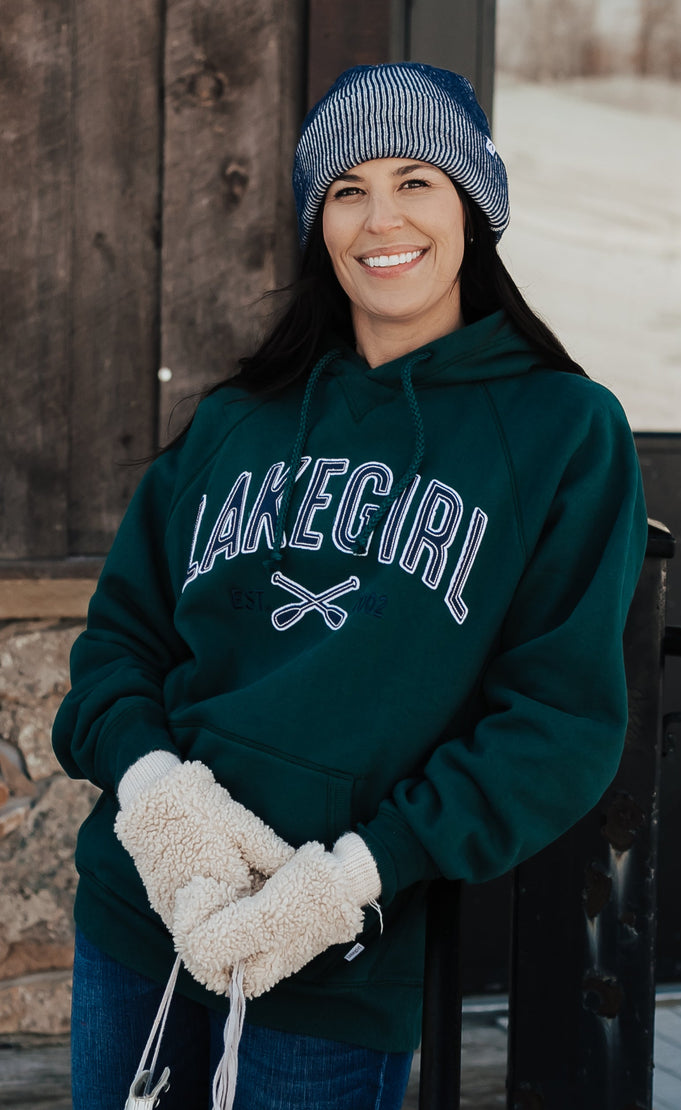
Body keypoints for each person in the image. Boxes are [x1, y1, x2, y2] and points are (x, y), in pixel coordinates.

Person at [52, 62, 647, 1110]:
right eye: (346, 188)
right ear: (318, 225)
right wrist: (157, 806)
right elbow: (116, 646)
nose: (381, 218)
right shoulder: (241, 420)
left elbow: (558, 724)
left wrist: (350, 882)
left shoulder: (562, 431)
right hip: (140, 917)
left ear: (473, 207)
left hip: (328, 965)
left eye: (416, 180)